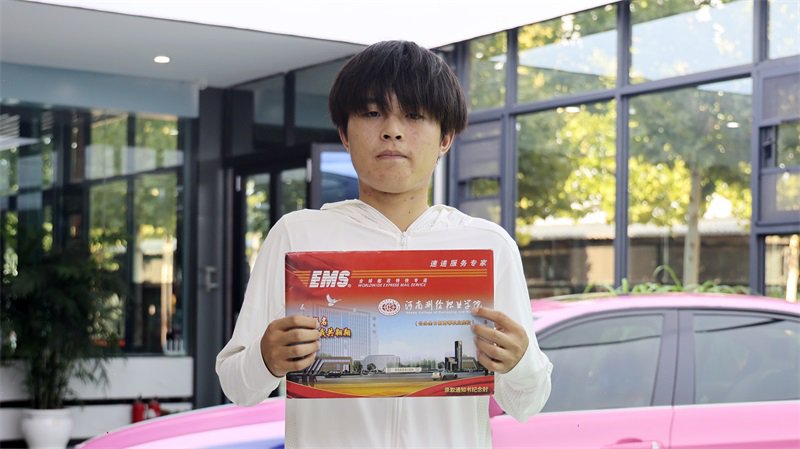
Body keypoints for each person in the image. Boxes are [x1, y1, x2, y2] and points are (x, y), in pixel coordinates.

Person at [216, 40, 552, 449]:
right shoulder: (297, 236)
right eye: (373, 113)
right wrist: (265, 359)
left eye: (414, 115)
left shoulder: (488, 245)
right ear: (344, 133)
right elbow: (237, 386)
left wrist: (519, 363)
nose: (392, 130)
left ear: (446, 137)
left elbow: (527, 404)